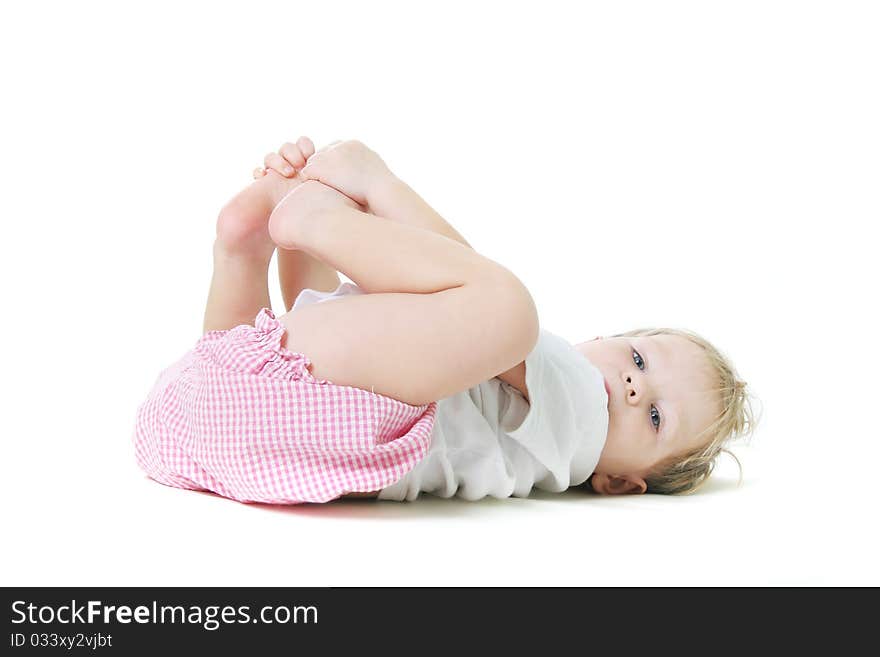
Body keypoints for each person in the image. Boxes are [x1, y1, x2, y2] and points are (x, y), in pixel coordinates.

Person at [132, 137, 758, 504]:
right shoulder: (531, 409)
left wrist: (376, 189)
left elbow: (467, 275)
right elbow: (387, 309)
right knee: (450, 310)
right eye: (639, 360)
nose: (630, 387)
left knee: (508, 309)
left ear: (620, 482)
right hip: (243, 427)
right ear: (598, 339)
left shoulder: (578, 432)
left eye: (653, 416)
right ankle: (272, 239)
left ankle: (308, 222)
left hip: (244, 410)